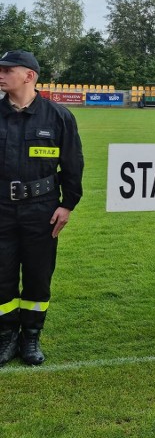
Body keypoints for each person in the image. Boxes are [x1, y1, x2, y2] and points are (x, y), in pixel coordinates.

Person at [0, 51, 84, 366]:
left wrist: (68, 204)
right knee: (1, 277)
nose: (1, 74)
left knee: (38, 276)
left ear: (29, 76)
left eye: (8, 70)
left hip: (42, 210)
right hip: (1, 208)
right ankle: (6, 338)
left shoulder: (58, 117)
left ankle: (31, 338)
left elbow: (73, 164)